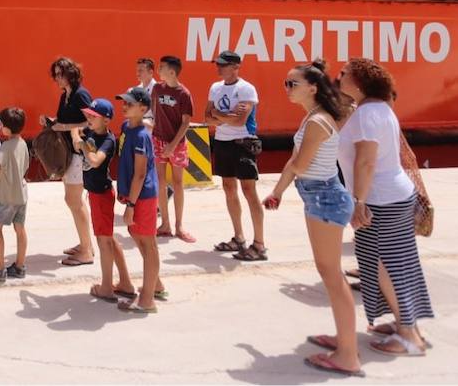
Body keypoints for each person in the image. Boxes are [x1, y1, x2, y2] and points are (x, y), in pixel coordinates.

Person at [264, 60, 362, 376]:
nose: (287, 89)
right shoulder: (314, 118)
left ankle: (348, 354)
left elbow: (300, 164)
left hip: (325, 198)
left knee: (332, 275)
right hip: (319, 197)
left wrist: (282, 184)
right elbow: (296, 162)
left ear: (312, 88)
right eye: (286, 83)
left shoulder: (318, 121)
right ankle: (342, 339)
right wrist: (278, 190)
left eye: (292, 83)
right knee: (330, 274)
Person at [337, 58, 434, 357]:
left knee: (385, 266)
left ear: (358, 82)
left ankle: (409, 338)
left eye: (344, 74)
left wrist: (358, 202)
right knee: (396, 263)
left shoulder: (367, 115)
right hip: (393, 195)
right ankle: (404, 323)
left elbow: (366, 161)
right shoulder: (379, 109)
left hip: (380, 199)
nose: (338, 77)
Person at [205, 50, 266, 261]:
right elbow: (207, 117)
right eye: (218, 64)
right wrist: (226, 116)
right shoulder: (215, 88)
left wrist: (219, 116)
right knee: (229, 189)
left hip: (243, 143)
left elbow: (240, 121)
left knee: (249, 191)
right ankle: (238, 237)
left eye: (223, 64)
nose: (218, 67)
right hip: (222, 142)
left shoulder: (246, 89)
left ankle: (259, 244)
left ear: (236, 67)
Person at [79, 97, 135, 302]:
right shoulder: (91, 132)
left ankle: (106, 287)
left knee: (103, 243)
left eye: (94, 116)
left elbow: (94, 161)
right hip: (95, 194)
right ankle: (126, 283)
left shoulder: (108, 140)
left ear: (106, 120)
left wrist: (83, 145)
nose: (89, 118)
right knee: (109, 239)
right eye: (89, 115)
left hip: (101, 195)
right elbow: (77, 132)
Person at [115, 87, 164, 313]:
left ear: (143, 109)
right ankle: (157, 284)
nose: (125, 106)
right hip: (133, 195)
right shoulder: (127, 127)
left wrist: (131, 206)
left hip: (143, 196)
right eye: (124, 102)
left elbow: (141, 173)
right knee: (138, 236)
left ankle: (147, 301)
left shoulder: (142, 136)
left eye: (130, 104)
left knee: (148, 242)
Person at [44, 57, 94, 267]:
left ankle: (86, 250)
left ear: (70, 73)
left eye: (60, 74)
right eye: (55, 74)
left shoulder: (81, 94)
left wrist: (63, 128)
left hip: (78, 152)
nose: (57, 78)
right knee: (73, 199)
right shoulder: (66, 95)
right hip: (68, 153)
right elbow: (65, 120)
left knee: (74, 200)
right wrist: (52, 122)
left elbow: (90, 121)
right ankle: (85, 244)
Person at [151, 54, 196, 242]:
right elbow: (154, 111)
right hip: (158, 139)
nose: (158, 70)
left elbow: (186, 122)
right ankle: (165, 223)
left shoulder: (184, 94)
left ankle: (179, 225)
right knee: (160, 181)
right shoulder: (156, 89)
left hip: (176, 143)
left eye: (161, 67)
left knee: (177, 183)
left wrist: (172, 144)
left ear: (171, 72)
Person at [0, 107, 29, 282]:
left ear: (7, 128)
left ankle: (0, 269)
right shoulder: (22, 144)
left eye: (2, 124)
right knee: (20, 228)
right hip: (22, 194)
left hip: (6, 195)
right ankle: (19, 266)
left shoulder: (6, 146)